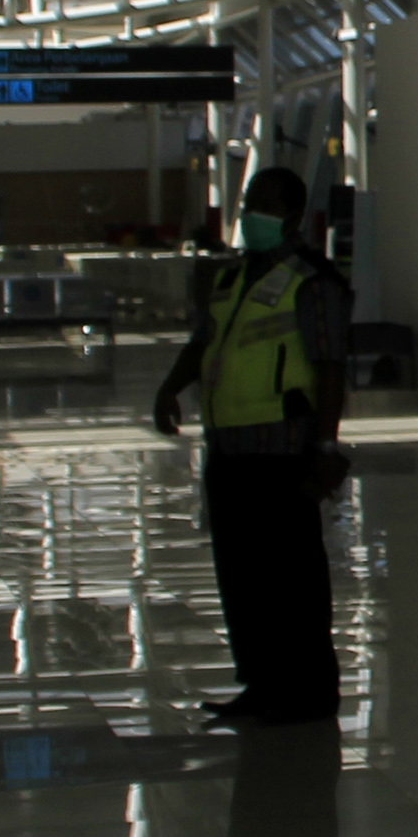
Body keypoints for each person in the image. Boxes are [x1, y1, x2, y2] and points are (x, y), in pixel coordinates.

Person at [151, 166, 349, 727]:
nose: (249, 214)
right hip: (229, 451)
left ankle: (308, 690)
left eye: (261, 205)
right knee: (242, 577)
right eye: (247, 201)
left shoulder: (313, 282)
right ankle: (261, 683)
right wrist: (171, 386)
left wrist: (327, 445)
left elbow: (332, 367)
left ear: (288, 214)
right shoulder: (232, 278)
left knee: (291, 578)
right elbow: (204, 342)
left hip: (283, 451)